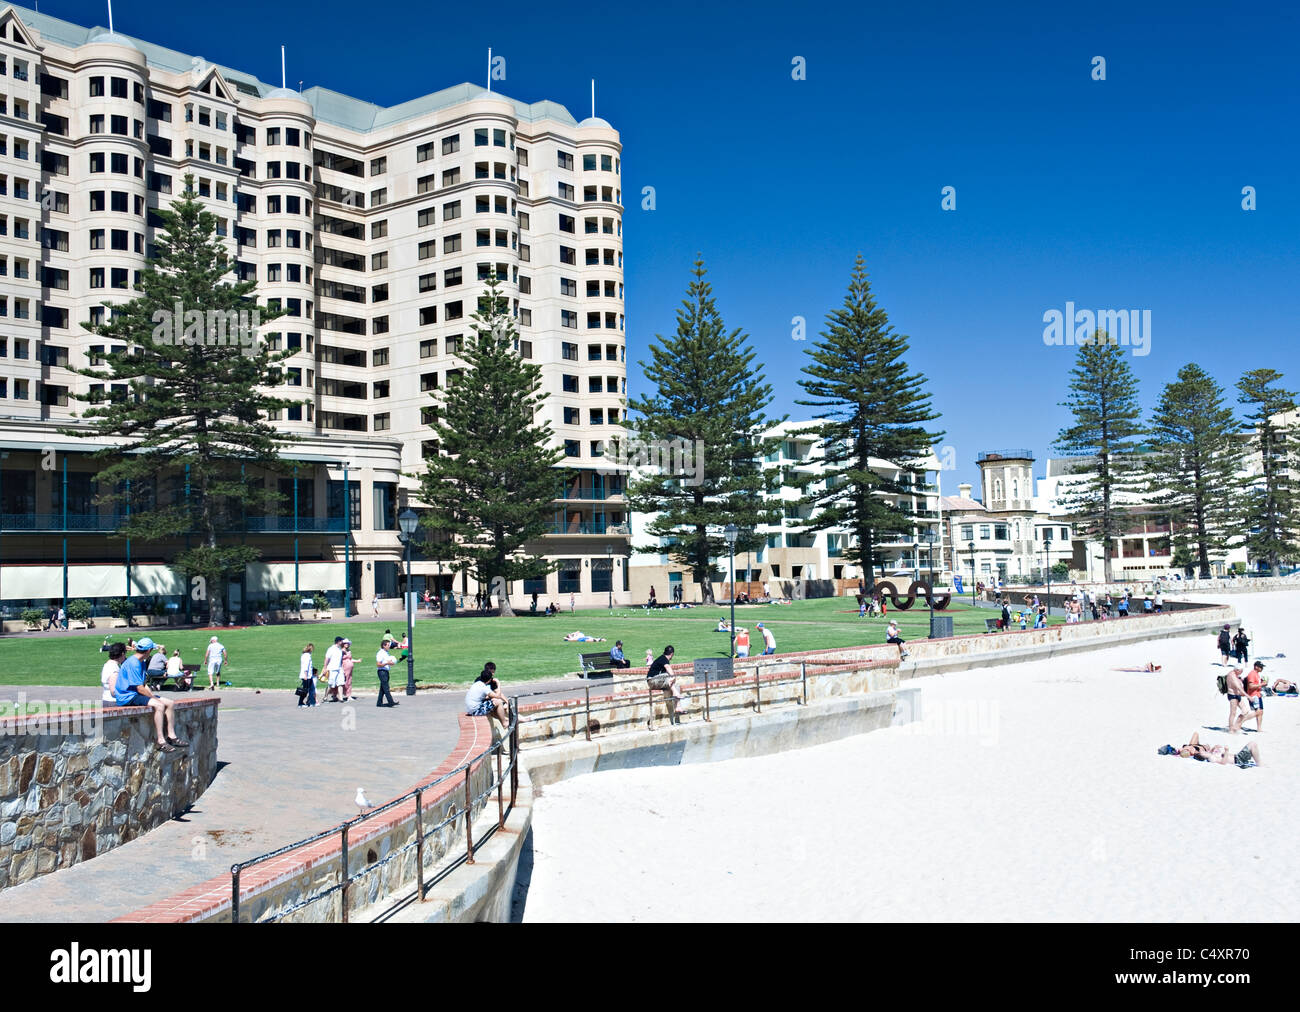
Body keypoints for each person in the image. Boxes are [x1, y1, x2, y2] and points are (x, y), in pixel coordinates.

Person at [114, 639, 189, 751]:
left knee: (170, 703)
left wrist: (152, 696)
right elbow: (139, 688)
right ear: (148, 650)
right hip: (127, 696)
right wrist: (153, 698)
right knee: (159, 705)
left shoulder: (142, 662)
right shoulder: (133, 663)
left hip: (135, 693)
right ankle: (160, 741)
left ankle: (172, 736)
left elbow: (143, 685)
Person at [1167, 732, 1260, 767]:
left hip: (1237, 757)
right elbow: (1223, 763)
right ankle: (1260, 765)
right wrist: (1226, 751)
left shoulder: (1208, 754)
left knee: (1252, 745)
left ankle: (1260, 764)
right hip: (1238, 759)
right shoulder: (1211, 757)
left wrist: (1213, 749)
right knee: (1252, 744)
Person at [646, 646, 688, 713]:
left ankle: (678, 707)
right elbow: (668, 667)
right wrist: (673, 677)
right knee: (668, 675)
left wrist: (672, 678)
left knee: (676, 686)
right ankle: (676, 693)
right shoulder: (663, 659)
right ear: (672, 654)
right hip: (651, 681)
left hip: (657, 681)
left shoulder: (663, 659)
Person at [1234, 661, 1266, 734]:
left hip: (1258, 694)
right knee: (1257, 712)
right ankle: (1241, 722)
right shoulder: (1252, 674)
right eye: (1261, 667)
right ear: (1256, 667)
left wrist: (1261, 683)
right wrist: (1261, 684)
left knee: (1260, 712)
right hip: (1253, 695)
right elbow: (1251, 686)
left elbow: (1255, 684)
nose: (1262, 668)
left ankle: (1259, 728)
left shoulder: (1257, 674)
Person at [1224, 666, 1248, 732]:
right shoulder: (1232, 675)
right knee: (1233, 713)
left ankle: (1236, 725)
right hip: (1232, 695)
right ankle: (1231, 729)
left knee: (1245, 711)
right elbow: (1238, 687)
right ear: (1237, 670)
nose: (1241, 673)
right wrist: (1248, 696)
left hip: (1238, 695)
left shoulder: (1236, 675)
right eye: (1241, 671)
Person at [375, 638, 397, 707]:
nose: (389, 646)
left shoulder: (386, 653)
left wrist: (391, 663)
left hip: (386, 671)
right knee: (386, 688)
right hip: (382, 672)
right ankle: (391, 702)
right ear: (384, 646)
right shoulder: (380, 653)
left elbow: (387, 662)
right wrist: (387, 663)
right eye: (387, 645)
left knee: (383, 689)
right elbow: (378, 664)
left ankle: (379, 703)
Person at [323, 636, 345, 702]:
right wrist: (325, 668)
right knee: (331, 684)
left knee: (340, 683)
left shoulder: (340, 649)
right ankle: (325, 697)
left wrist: (342, 668)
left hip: (339, 669)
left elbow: (340, 660)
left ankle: (341, 698)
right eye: (341, 641)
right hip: (332, 669)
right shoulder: (331, 649)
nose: (342, 642)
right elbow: (327, 659)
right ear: (338, 642)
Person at [298, 643, 317, 707]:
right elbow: (306, 666)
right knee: (305, 690)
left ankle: (312, 702)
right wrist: (306, 675)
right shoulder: (307, 656)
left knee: (312, 689)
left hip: (309, 676)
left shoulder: (304, 655)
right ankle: (300, 703)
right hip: (306, 676)